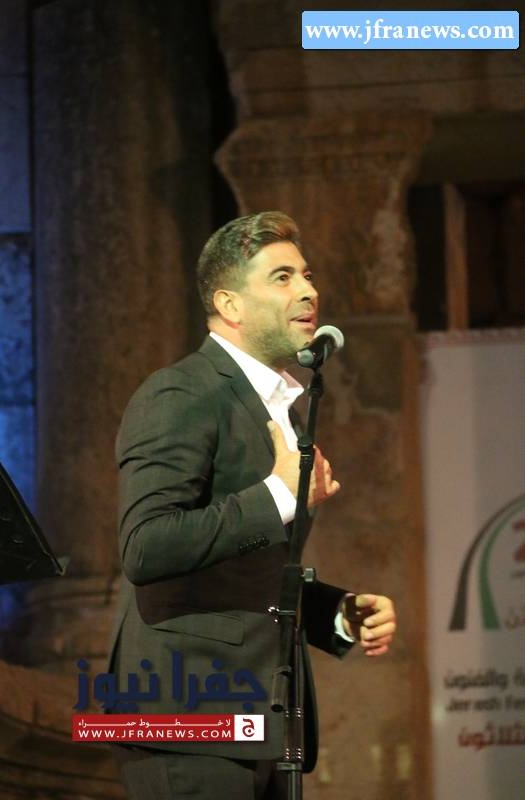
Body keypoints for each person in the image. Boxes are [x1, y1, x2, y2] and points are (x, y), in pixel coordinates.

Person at [108, 211, 396, 799]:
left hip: (263, 720)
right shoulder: (181, 392)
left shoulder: (278, 411)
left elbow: (245, 577)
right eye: (282, 277)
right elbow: (146, 545)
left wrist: (335, 614)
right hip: (186, 714)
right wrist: (278, 494)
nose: (308, 290)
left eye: (307, 275)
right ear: (229, 304)